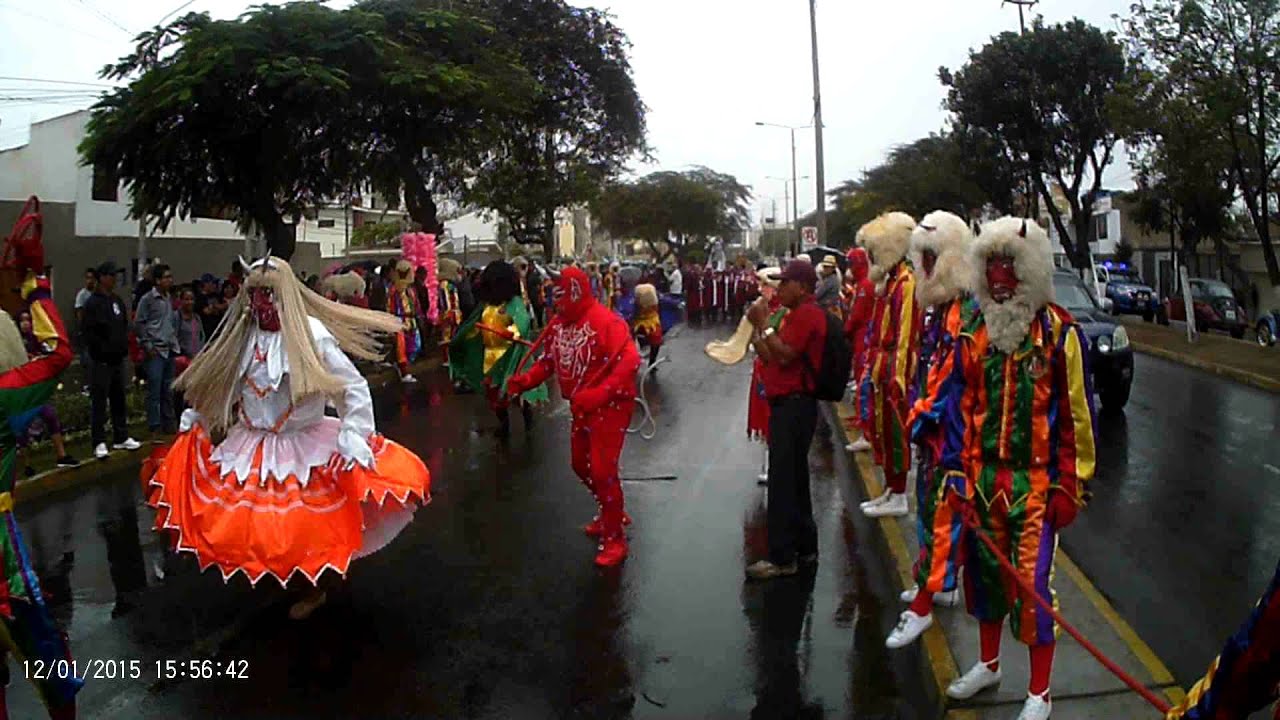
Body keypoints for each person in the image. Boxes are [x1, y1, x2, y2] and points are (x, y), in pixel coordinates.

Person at [145, 256, 431, 620]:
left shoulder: (311, 334)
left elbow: (350, 387)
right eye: (254, 293)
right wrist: (200, 415)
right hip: (253, 442)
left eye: (268, 293)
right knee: (258, 523)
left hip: (302, 443)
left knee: (306, 526)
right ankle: (278, 574)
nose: (260, 302)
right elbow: (225, 385)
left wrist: (354, 433)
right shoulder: (244, 337)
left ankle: (317, 587)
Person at [940, 218, 1096, 720]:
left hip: (1034, 485)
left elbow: (1076, 418)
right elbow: (960, 408)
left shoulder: (1059, 333)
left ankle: (1040, 692)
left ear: (1029, 269)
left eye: (1009, 265)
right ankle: (988, 664)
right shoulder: (973, 329)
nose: (999, 276)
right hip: (982, 480)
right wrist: (958, 474)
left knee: (1033, 589)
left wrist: (1070, 485)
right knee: (984, 578)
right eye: (991, 265)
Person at [0, 198, 82, 718]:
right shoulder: (5, 395)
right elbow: (58, 353)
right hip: (0, 556)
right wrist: (36, 284)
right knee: (45, 654)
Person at [506, 267, 641, 567]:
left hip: (611, 406)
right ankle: (612, 511)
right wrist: (525, 381)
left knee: (604, 470)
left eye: (561, 295)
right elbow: (548, 363)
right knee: (581, 465)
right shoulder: (557, 325)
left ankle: (614, 537)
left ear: (576, 292)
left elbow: (630, 360)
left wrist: (602, 393)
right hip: (582, 407)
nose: (556, 303)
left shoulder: (607, 322)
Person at [884, 210, 976, 649]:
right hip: (935, 433)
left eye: (929, 258)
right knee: (929, 510)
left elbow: (950, 381)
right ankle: (937, 580)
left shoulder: (963, 314)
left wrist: (918, 415)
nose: (921, 268)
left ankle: (925, 599)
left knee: (943, 515)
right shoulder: (939, 311)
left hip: (954, 438)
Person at [743, 260, 826, 581]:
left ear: (802, 287)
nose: (779, 288)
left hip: (795, 406)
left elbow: (787, 354)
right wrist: (756, 333)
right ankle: (805, 547)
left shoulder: (807, 315)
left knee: (782, 483)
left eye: (785, 282)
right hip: (787, 404)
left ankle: (782, 557)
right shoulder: (794, 314)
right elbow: (771, 356)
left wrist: (763, 325)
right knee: (795, 479)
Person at [856, 212, 921, 519]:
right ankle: (890, 489)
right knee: (882, 432)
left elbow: (906, 336)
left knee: (896, 435)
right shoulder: (889, 282)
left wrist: (899, 377)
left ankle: (898, 494)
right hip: (882, 366)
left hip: (895, 370)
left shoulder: (906, 283)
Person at [450, 260, 549, 438]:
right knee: (496, 396)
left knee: (521, 392)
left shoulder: (515, 303)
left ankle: (528, 422)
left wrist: (511, 332)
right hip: (492, 358)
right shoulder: (486, 305)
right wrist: (471, 334)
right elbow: (474, 323)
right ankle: (504, 426)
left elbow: (523, 322)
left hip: (515, 356)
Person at [82, 261, 142, 460]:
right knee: (99, 402)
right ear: (102, 278)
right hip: (101, 361)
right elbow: (89, 332)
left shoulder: (116, 301)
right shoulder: (92, 303)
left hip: (117, 359)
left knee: (119, 398)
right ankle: (98, 441)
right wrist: (100, 352)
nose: (114, 279)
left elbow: (124, 325)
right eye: (111, 276)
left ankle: (121, 435)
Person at [14, 311, 78, 475]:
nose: (26, 324)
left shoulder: (38, 339)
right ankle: (26, 465)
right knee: (21, 428)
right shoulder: (14, 342)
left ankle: (61, 455)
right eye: (22, 320)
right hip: (20, 390)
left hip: (37, 389)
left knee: (50, 416)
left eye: (28, 320)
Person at [135, 263, 180, 435]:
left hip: (169, 348)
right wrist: (147, 345)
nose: (170, 280)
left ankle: (169, 423)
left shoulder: (169, 298)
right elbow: (139, 323)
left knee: (167, 389)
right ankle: (154, 425)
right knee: (154, 388)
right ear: (158, 280)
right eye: (166, 277)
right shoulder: (147, 300)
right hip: (155, 349)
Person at [842, 247, 876, 453]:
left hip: (864, 338)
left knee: (864, 384)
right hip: (860, 338)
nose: (849, 268)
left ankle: (867, 433)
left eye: (852, 264)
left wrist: (844, 331)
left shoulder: (865, 286)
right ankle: (861, 422)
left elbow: (857, 315)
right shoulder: (863, 284)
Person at [385, 259, 421, 383]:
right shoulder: (393, 290)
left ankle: (403, 368)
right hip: (399, 321)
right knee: (401, 348)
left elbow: (415, 304)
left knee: (415, 345)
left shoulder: (410, 290)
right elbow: (390, 307)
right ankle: (404, 372)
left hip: (411, 321)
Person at [73, 267, 96, 387]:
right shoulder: (82, 295)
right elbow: (79, 314)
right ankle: (86, 385)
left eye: (92, 278)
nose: (90, 281)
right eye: (88, 278)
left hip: (98, 334)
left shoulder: (98, 294)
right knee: (87, 361)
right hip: (86, 334)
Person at [194, 273, 226, 339]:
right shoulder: (200, 298)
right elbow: (206, 311)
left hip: (219, 329)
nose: (215, 285)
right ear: (206, 284)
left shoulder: (216, 295)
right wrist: (216, 307)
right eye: (213, 283)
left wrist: (215, 307)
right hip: (207, 332)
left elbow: (225, 305)